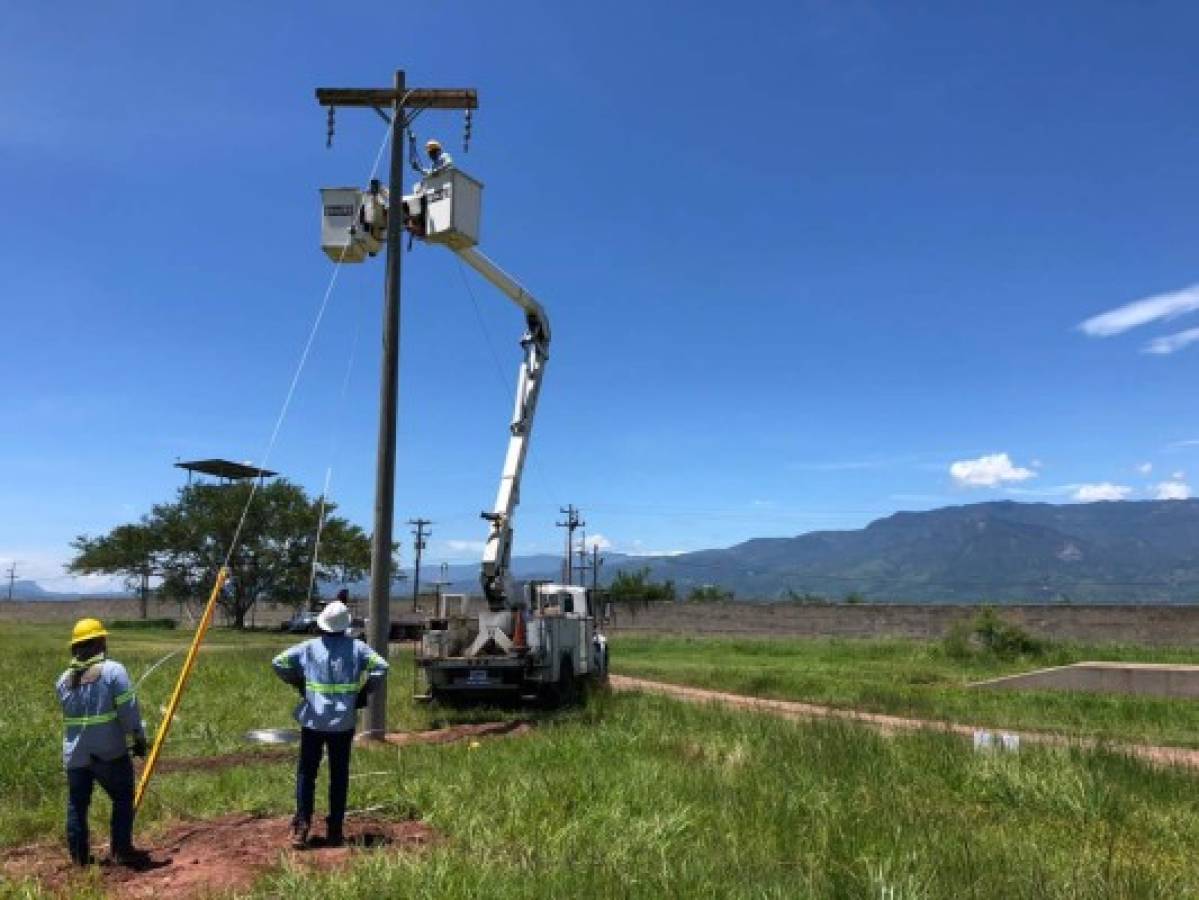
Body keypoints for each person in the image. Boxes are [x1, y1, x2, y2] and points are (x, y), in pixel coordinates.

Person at [271, 599, 389, 848]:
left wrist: (298, 683)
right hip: (343, 723)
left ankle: (302, 827)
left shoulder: (309, 648)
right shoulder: (357, 648)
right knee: (339, 775)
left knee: (307, 773)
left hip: (313, 721)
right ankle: (335, 830)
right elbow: (381, 666)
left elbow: (278, 662)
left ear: (322, 624)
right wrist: (365, 692)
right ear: (345, 626)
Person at [56, 618, 149, 866]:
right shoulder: (114, 671)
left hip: (75, 756)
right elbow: (129, 711)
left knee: (77, 804)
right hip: (109, 752)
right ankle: (121, 850)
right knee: (122, 799)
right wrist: (138, 738)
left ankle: (79, 859)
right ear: (100, 643)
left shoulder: (63, 680)